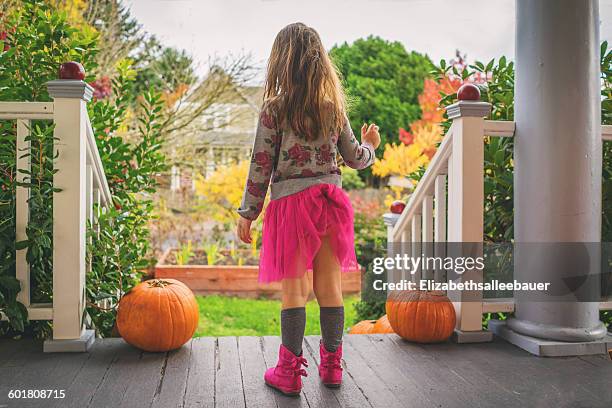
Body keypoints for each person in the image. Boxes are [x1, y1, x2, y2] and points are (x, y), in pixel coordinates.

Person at [237, 22, 380, 396]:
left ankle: (289, 371)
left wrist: (248, 212)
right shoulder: (333, 110)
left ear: (281, 64)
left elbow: (261, 163)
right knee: (331, 288)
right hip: (331, 205)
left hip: (291, 208)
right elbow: (356, 158)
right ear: (320, 63)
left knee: (295, 290)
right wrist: (371, 146)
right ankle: (332, 366)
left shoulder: (274, 109)